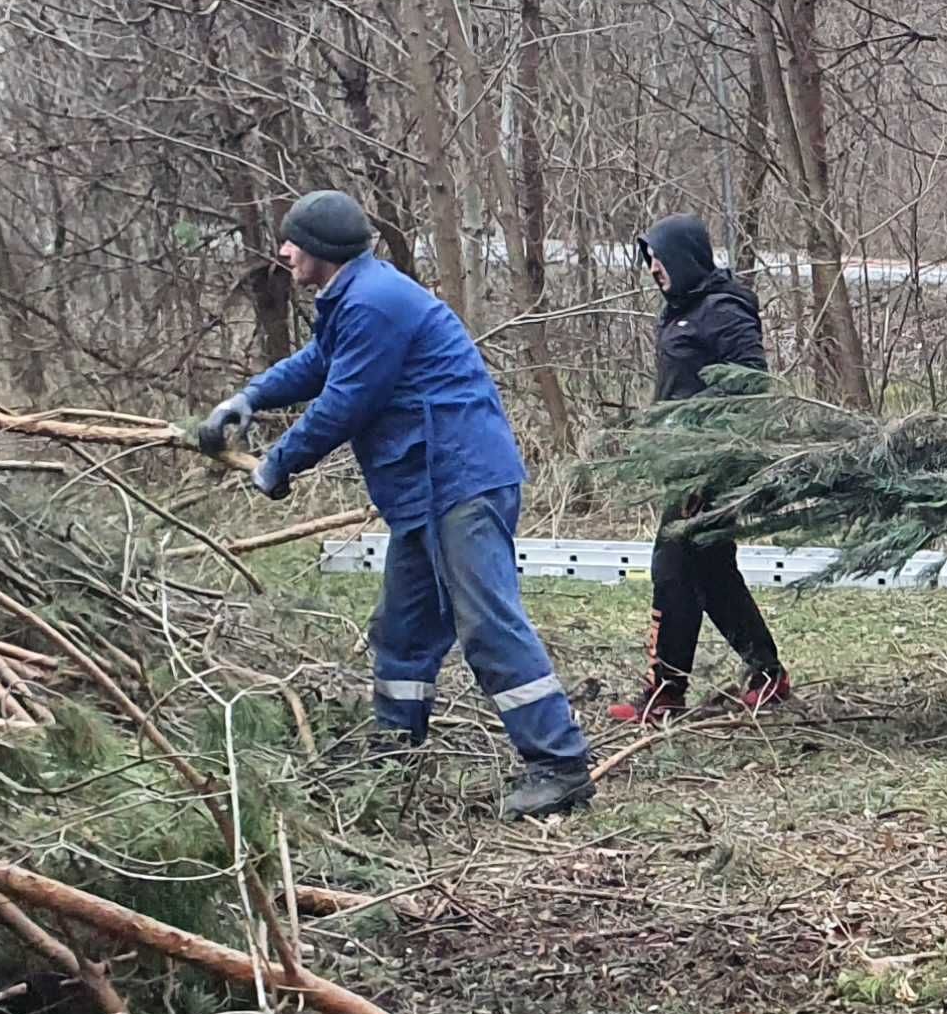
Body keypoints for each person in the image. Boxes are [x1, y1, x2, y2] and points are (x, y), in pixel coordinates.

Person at [195, 191, 593, 820]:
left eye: (293, 241)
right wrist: (247, 400)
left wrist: (279, 462)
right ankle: (391, 752)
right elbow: (319, 365)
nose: (284, 252)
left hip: (458, 481)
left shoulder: (375, 303)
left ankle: (560, 764)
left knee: (488, 623)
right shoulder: (355, 297)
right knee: (404, 632)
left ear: (321, 248)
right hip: (424, 488)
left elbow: (346, 400)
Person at [609, 215, 790, 723]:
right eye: (648, 261)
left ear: (685, 258)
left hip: (709, 466)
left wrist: (708, 454)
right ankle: (768, 673)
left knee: (672, 570)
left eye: (659, 259)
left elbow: (750, 385)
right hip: (681, 463)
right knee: (711, 572)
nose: (652, 270)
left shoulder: (722, 311)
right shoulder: (679, 310)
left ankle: (665, 689)